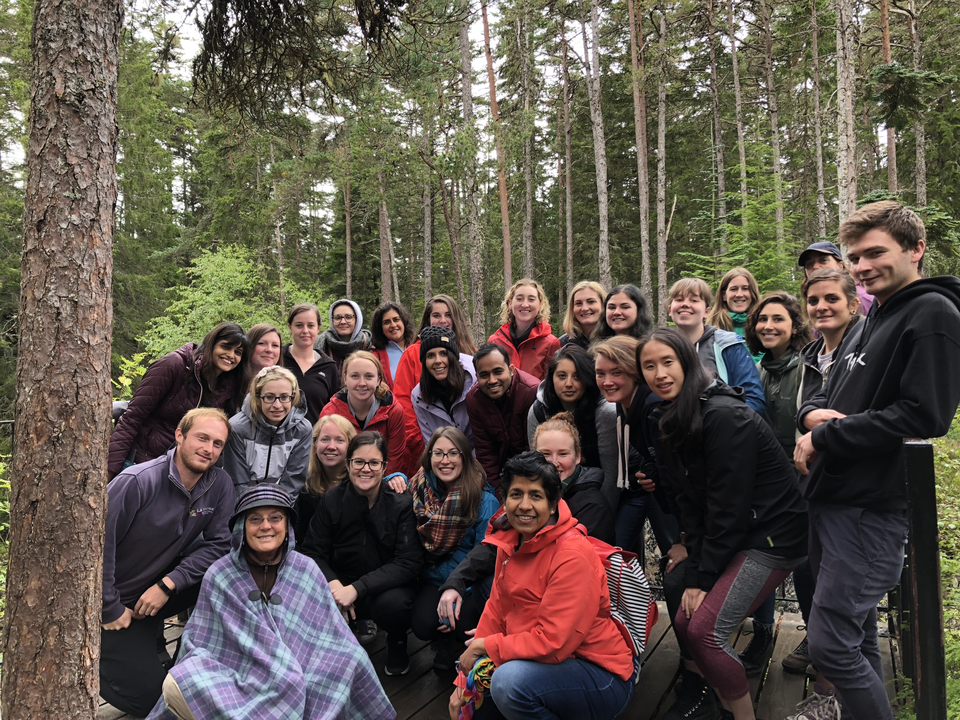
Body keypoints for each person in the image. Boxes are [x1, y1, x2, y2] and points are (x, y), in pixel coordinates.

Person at [794, 201, 960, 720]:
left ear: (916, 249)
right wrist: (814, 419)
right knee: (859, 638)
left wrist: (828, 437)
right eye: (855, 257)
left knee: (830, 646)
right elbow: (839, 396)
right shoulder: (878, 317)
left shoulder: (934, 314)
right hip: (834, 499)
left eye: (875, 253)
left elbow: (924, 415)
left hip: (870, 509)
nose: (863, 266)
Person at [638, 329, 807, 720]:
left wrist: (701, 576)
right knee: (683, 618)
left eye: (668, 362)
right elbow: (686, 499)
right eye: (649, 366)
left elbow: (727, 506)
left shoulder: (724, 416)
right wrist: (694, 557)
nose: (660, 373)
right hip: (739, 530)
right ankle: (718, 706)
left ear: (688, 363)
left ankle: (741, 714)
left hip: (774, 535)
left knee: (705, 632)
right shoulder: (665, 416)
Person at [146, 485, 393, 720]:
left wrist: (295, 665)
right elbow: (202, 638)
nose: (266, 526)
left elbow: (332, 633)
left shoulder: (306, 569)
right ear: (242, 527)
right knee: (186, 678)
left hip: (302, 663)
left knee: (350, 659)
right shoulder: (219, 574)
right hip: (237, 669)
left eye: (275, 518)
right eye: (255, 519)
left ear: (287, 526)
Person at [447, 451, 637, 720]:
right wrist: (464, 688)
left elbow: (554, 643)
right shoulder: (511, 541)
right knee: (473, 711)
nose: (524, 505)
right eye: (516, 494)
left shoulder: (572, 555)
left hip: (598, 673)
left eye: (535, 495)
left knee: (507, 684)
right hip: (539, 665)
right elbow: (495, 613)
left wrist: (483, 647)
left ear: (553, 503)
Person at [436, 415, 618, 658]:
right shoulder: (521, 498)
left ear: (578, 456)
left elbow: (570, 592)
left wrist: (495, 645)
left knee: (508, 676)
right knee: (468, 612)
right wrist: (455, 582)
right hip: (530, 607)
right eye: (545, 455)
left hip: (574, 626)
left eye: (562, 454)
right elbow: (493, 546)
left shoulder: (591, 506)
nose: (553, 463)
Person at [100, 408, 236, 717]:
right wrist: (108, 607)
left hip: (156, 588)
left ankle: (194, 657)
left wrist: (169, 583)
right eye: (202, 438)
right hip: (113, 602)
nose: (209, 449)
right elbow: (97, 547)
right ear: (179, 435)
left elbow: (220, 544)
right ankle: (103, 660)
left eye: (217, 444)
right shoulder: (137, 482)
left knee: (228, 574)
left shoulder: (219, 484)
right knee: (156, 702)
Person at [300, 431, 424, 677]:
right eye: (358, 462)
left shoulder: (401, 504)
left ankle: (397, 641)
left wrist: (357, 588)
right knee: (315, 594)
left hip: (384, 585)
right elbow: (312, 551)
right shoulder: (332, 500)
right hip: (341, 580)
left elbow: (408, 562)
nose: (365, 469)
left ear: (384, 466)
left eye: (374, 463)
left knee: (395, 605)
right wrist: (335, 585)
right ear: (348, 464)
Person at [408, 427, 499, 670]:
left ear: (465, 457)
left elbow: (485, 553)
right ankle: (441, 638)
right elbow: (388, 493)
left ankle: (455, 644)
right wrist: (390, 477)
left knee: (460, 620)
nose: (445, 461)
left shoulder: (483, 500)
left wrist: (459, 590)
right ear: (430, 457)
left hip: (467, 582)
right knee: (423, 624)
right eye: (438, 453)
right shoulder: (419, 488)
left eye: (453, 453)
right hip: (432, 576)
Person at [108, 322, 248, 477]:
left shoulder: (228, 386)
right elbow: (132, 418)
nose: (231, 355)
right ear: (211, 344)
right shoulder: (174, 365)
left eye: (238, 352)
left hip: (181, 473)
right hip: (141, 464)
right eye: (226, 347)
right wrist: (111, 470)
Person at [591, 335, 681, 558]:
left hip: (676, 505)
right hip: (649, 491)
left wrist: (685, 537)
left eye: (617, 372)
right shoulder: (624, 404)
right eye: (600, 374)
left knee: (675, 560)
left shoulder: (652, 408)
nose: (607, 381)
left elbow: (677, 472)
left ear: (635, 372)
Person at [526, 344, 620, 513]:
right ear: (551, 378)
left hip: (600, 498)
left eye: (577, 377)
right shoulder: (538, 411)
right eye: (561, 376)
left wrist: (602, 514)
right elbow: (537, 464)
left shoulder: (604, 412)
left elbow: (611, 475)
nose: (568, 383)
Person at [393, 295, 478, 472]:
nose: (442, 320)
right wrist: (420, 444)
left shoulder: (472, 360)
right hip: (435, 448)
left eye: (448, 315)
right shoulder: (412, 354)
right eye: (436, 315)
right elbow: (404, 400)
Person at [667, 278, 766, 414]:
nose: (685, 304)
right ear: (669, 310)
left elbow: (754, 400)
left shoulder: (728, 346)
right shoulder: (662, 349)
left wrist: (721, 424)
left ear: (707, 311)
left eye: (694, 300)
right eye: (679, 299)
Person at [223, 365, 312, 497]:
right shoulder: (238, 428)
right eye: (269, 397)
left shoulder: (302, 430)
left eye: (284, 397)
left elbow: (293, 481)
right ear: (258, 397)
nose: (277, 405)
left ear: (293, 397)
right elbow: (237, 480)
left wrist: (277, 509)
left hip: (282, 501)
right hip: (242, 501)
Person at [466, 343, 540, 497]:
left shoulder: (530, 392)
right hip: (500, 470)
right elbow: (485, 452)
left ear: (511, 370)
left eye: (498, 372)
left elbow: (535, 448)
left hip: (534, 470)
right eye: (484, 375)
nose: (492, 380)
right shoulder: (474, 400)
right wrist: (499, 495)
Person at [744, 292, 811, 458]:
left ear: (795, 327)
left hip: (803, 465)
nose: (768, 326)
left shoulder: (808, 367)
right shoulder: (759, 369)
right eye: (762, 319)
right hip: (770, 465)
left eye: (778, 319)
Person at [320, 350, 406, 475]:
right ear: (345, 379)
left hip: (380, 480)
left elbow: (394, 460)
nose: (362, 383)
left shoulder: (393, 411)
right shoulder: (330, 413)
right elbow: (326, 457)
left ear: (378, 380)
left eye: (369, 376)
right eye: (355, 376)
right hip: (340, 480)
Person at [293, 414, 357, 543]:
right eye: (325, 439)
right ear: (315, 443)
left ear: (351, 446)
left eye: (340, 440)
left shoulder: (360, 483)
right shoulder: (302, 483)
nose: (331, 446)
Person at [410, 326, 477, 446]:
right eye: (430, 356)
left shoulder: (474, 380)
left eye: (443, 354)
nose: (437, 360)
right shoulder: (419, 397)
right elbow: (431, 444)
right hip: (445, 458)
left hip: (479, 455)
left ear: (453, 356)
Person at [488, 278, 561, 379]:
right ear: (510, 304)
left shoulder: (550, 344)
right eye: (519, 299)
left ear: (540, 305)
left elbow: (552, 385)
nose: (525, 304)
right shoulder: (495, 342)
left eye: (531, 299)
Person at [281, 303, 340, 426]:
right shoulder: (278, 359)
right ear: (289, 328)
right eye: (299, 325)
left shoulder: (329, 367)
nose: (305, 331)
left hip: (315, 440)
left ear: (318, 328)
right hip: (279, 440)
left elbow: (336, 411)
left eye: (311, 325)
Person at [798, 240, 873, 317]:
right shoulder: (809, 304)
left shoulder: (863, 297)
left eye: (823, 260)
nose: (815, 267)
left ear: (841, 266)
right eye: (809, 264)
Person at [706, 268, 761, 361]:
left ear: (752, 293)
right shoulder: (711, 329)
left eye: (745, 288)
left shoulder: (762, 326)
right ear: (724, 295)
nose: (739, 294)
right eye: (734, 289)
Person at [314, 298, 373, 373]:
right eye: (338, 318)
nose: (343, 322)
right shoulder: (319, 344)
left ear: (357, 319)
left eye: (348, 317)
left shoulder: (369, 344)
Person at [371, 301, 415, 388]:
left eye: (396, 319)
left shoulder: (419, 347)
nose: (393, 325)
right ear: (381, 329)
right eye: (386, 322)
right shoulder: (375, 357)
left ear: (403, 322)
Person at [558, 280, 606, 348]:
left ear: (603, 304)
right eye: (579, 303)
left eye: (591, 302)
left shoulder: (614, 339)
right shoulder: (563, 344)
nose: (584, 308)